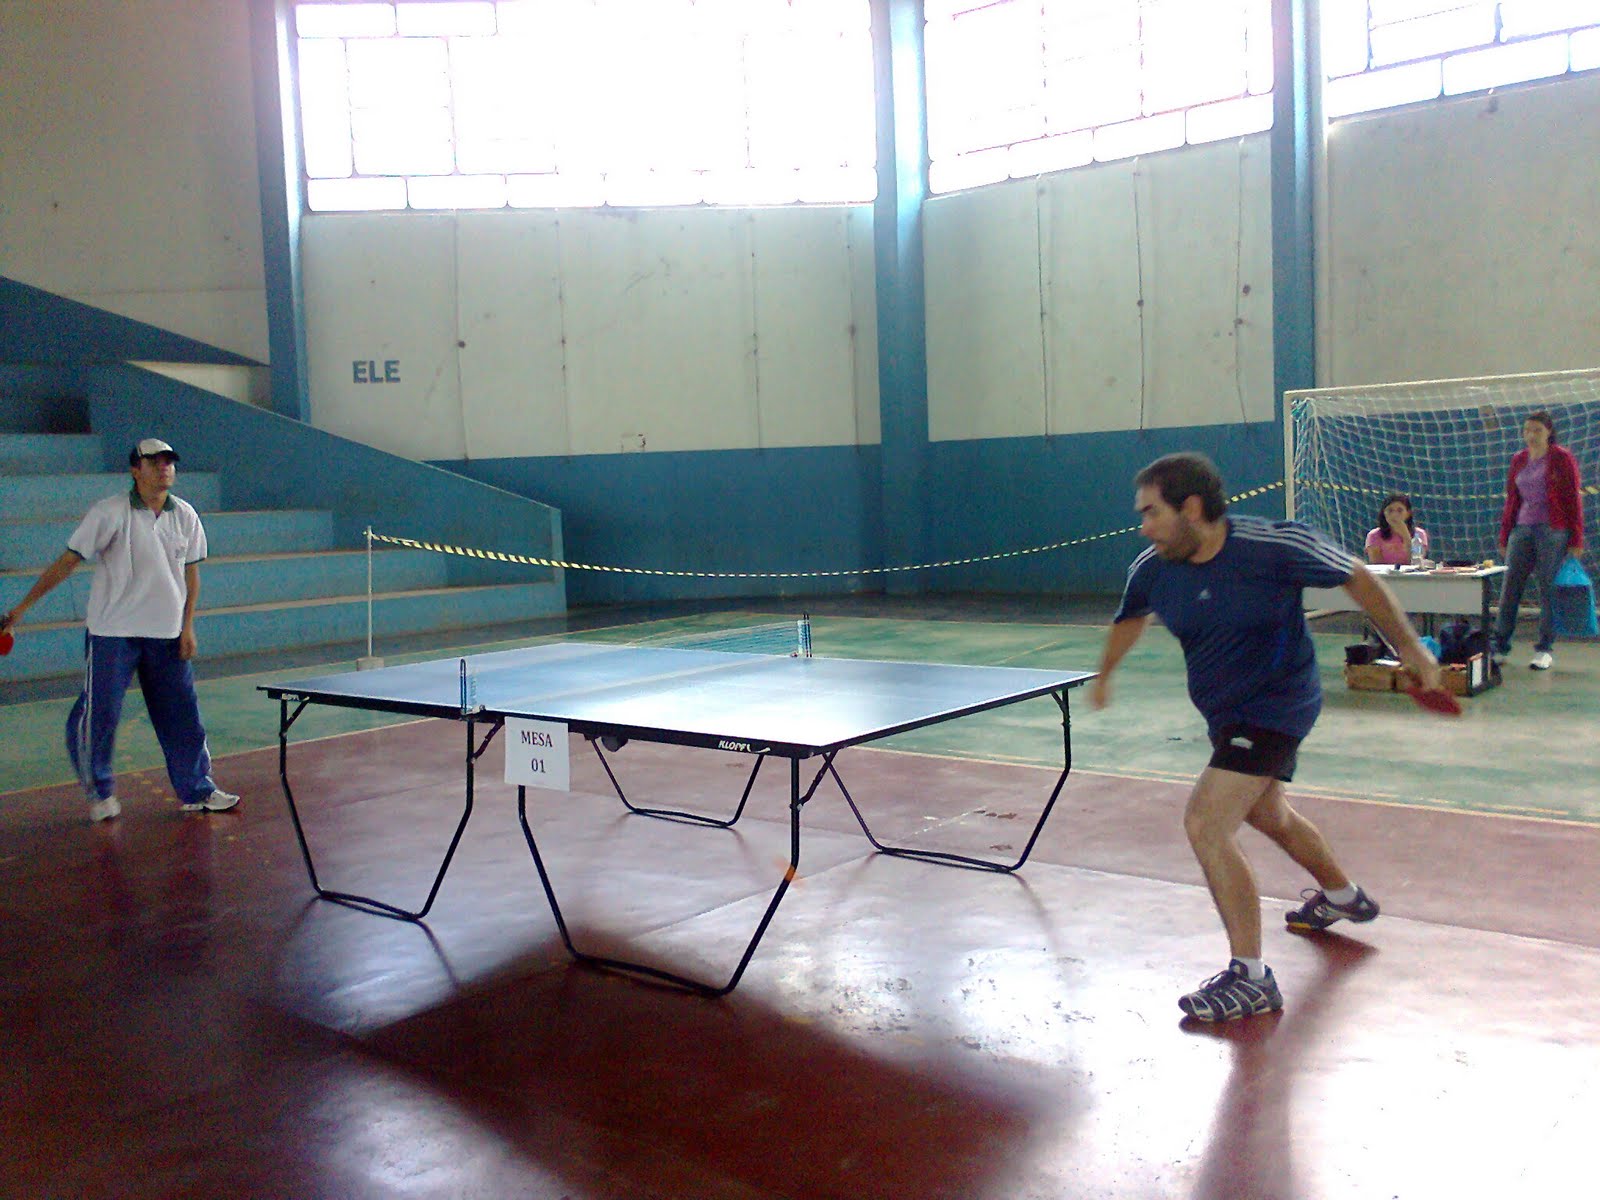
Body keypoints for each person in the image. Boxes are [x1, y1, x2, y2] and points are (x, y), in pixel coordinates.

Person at [1092, 452, 1441, 1023]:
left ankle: (1251, 979)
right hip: (1226, 714)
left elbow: (1357, 575)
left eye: (1152, 512)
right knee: (1267, 813)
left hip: (1279, 703)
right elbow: (1131, 617)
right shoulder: (1152, 569)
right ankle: (1343, 897)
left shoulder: (1274, 545)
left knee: (1206, 823)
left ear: (1192, 508)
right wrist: (1105, 674)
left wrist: (1411, 648)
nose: (1144, 527)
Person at [0, 438, 239, 822]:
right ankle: (99, 792)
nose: (164, 467)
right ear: (135, 470)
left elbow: (191, 574)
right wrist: (21, 609)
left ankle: (198, 789)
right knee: (100, 713)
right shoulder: (108, 512)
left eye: (169, 461)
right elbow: (67, 562)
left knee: (182, 715)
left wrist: (187, 626)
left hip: (167, 633)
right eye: (154, 461)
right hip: (113, 632)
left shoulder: (185, 515)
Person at [1492, 410, 1585, 671]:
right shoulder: (1518, 459)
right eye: (1527, 430)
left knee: (1548, 589)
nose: (1531, 435)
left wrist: (1576, 538)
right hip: (1521, 530)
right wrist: (1505, 535)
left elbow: (1573, 498)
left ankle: (1544, 649)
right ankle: (1499, 646)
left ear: (1549, 432)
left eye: (1537, 430)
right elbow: (1512, 500)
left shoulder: (1562, 458)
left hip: (1553, 531)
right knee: (1510, 588)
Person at [1364, 493, 1427, 566]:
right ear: (1384, 513)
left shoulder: (1419, 534)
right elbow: (1376, 564)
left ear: (1408, 513)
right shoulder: (1374, 535)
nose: (1394, 515)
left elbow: (1417, 562)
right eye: (1390, 510)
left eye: (1400, 510)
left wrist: (1406, 536)